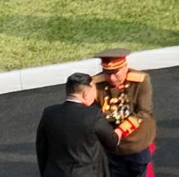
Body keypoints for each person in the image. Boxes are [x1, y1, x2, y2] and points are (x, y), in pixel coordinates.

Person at [36, 72, 121, 177]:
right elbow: (111, 141)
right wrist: (119, 132)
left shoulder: (49, 113)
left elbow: (41, 148)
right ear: (85, 94)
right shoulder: (93, 115)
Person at [92, 49, 156, 177]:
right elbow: (94, 113)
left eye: (115, 73)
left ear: (125, 67)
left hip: (138, 142)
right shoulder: (95, 84)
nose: (111, 78)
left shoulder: (140, 81)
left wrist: (120, 131)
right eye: (107, 73)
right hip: (112, 145)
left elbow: (144, 111)